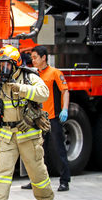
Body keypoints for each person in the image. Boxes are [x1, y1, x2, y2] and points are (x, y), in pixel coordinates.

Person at [0, 44, 54, 200]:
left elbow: (44, 93)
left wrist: (21, 89)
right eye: (0, 65)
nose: (2, 68)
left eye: (6, 64)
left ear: (15, 65)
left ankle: (46, 198)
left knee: (36, 168)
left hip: (28, 132)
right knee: (2, 169)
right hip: (7, 134)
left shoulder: (29, 77)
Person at [22, 45, 71, 192]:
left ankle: (64, 181)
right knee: (38, 152)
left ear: (44, 57)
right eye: (32, 58)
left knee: (58, 149)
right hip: (39, 119)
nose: (33, 60)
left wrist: (65, 109)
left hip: (53, 118)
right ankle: (37, 180)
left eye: (35, 57)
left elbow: (65, 91)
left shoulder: (55, 73)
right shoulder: (35, 75)